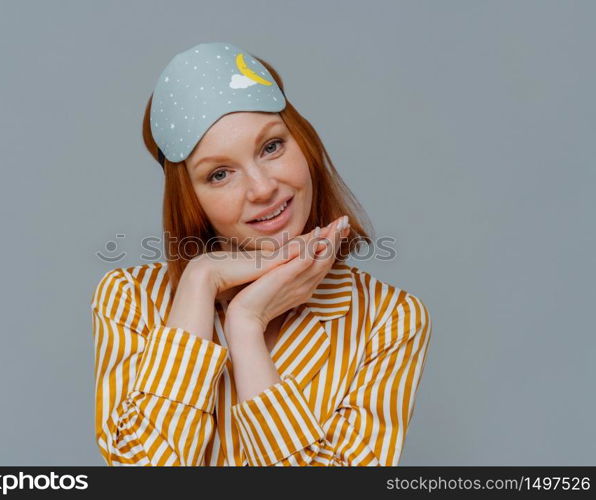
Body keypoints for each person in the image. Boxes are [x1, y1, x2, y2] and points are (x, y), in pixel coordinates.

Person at [91, 41, 432, 466]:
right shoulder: (131, 299)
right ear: (190, 198)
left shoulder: (387, 318)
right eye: (219, 174)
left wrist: (246, 327)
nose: (262, 188)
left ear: (304, 145)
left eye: (271, 147)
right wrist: (201, 279)